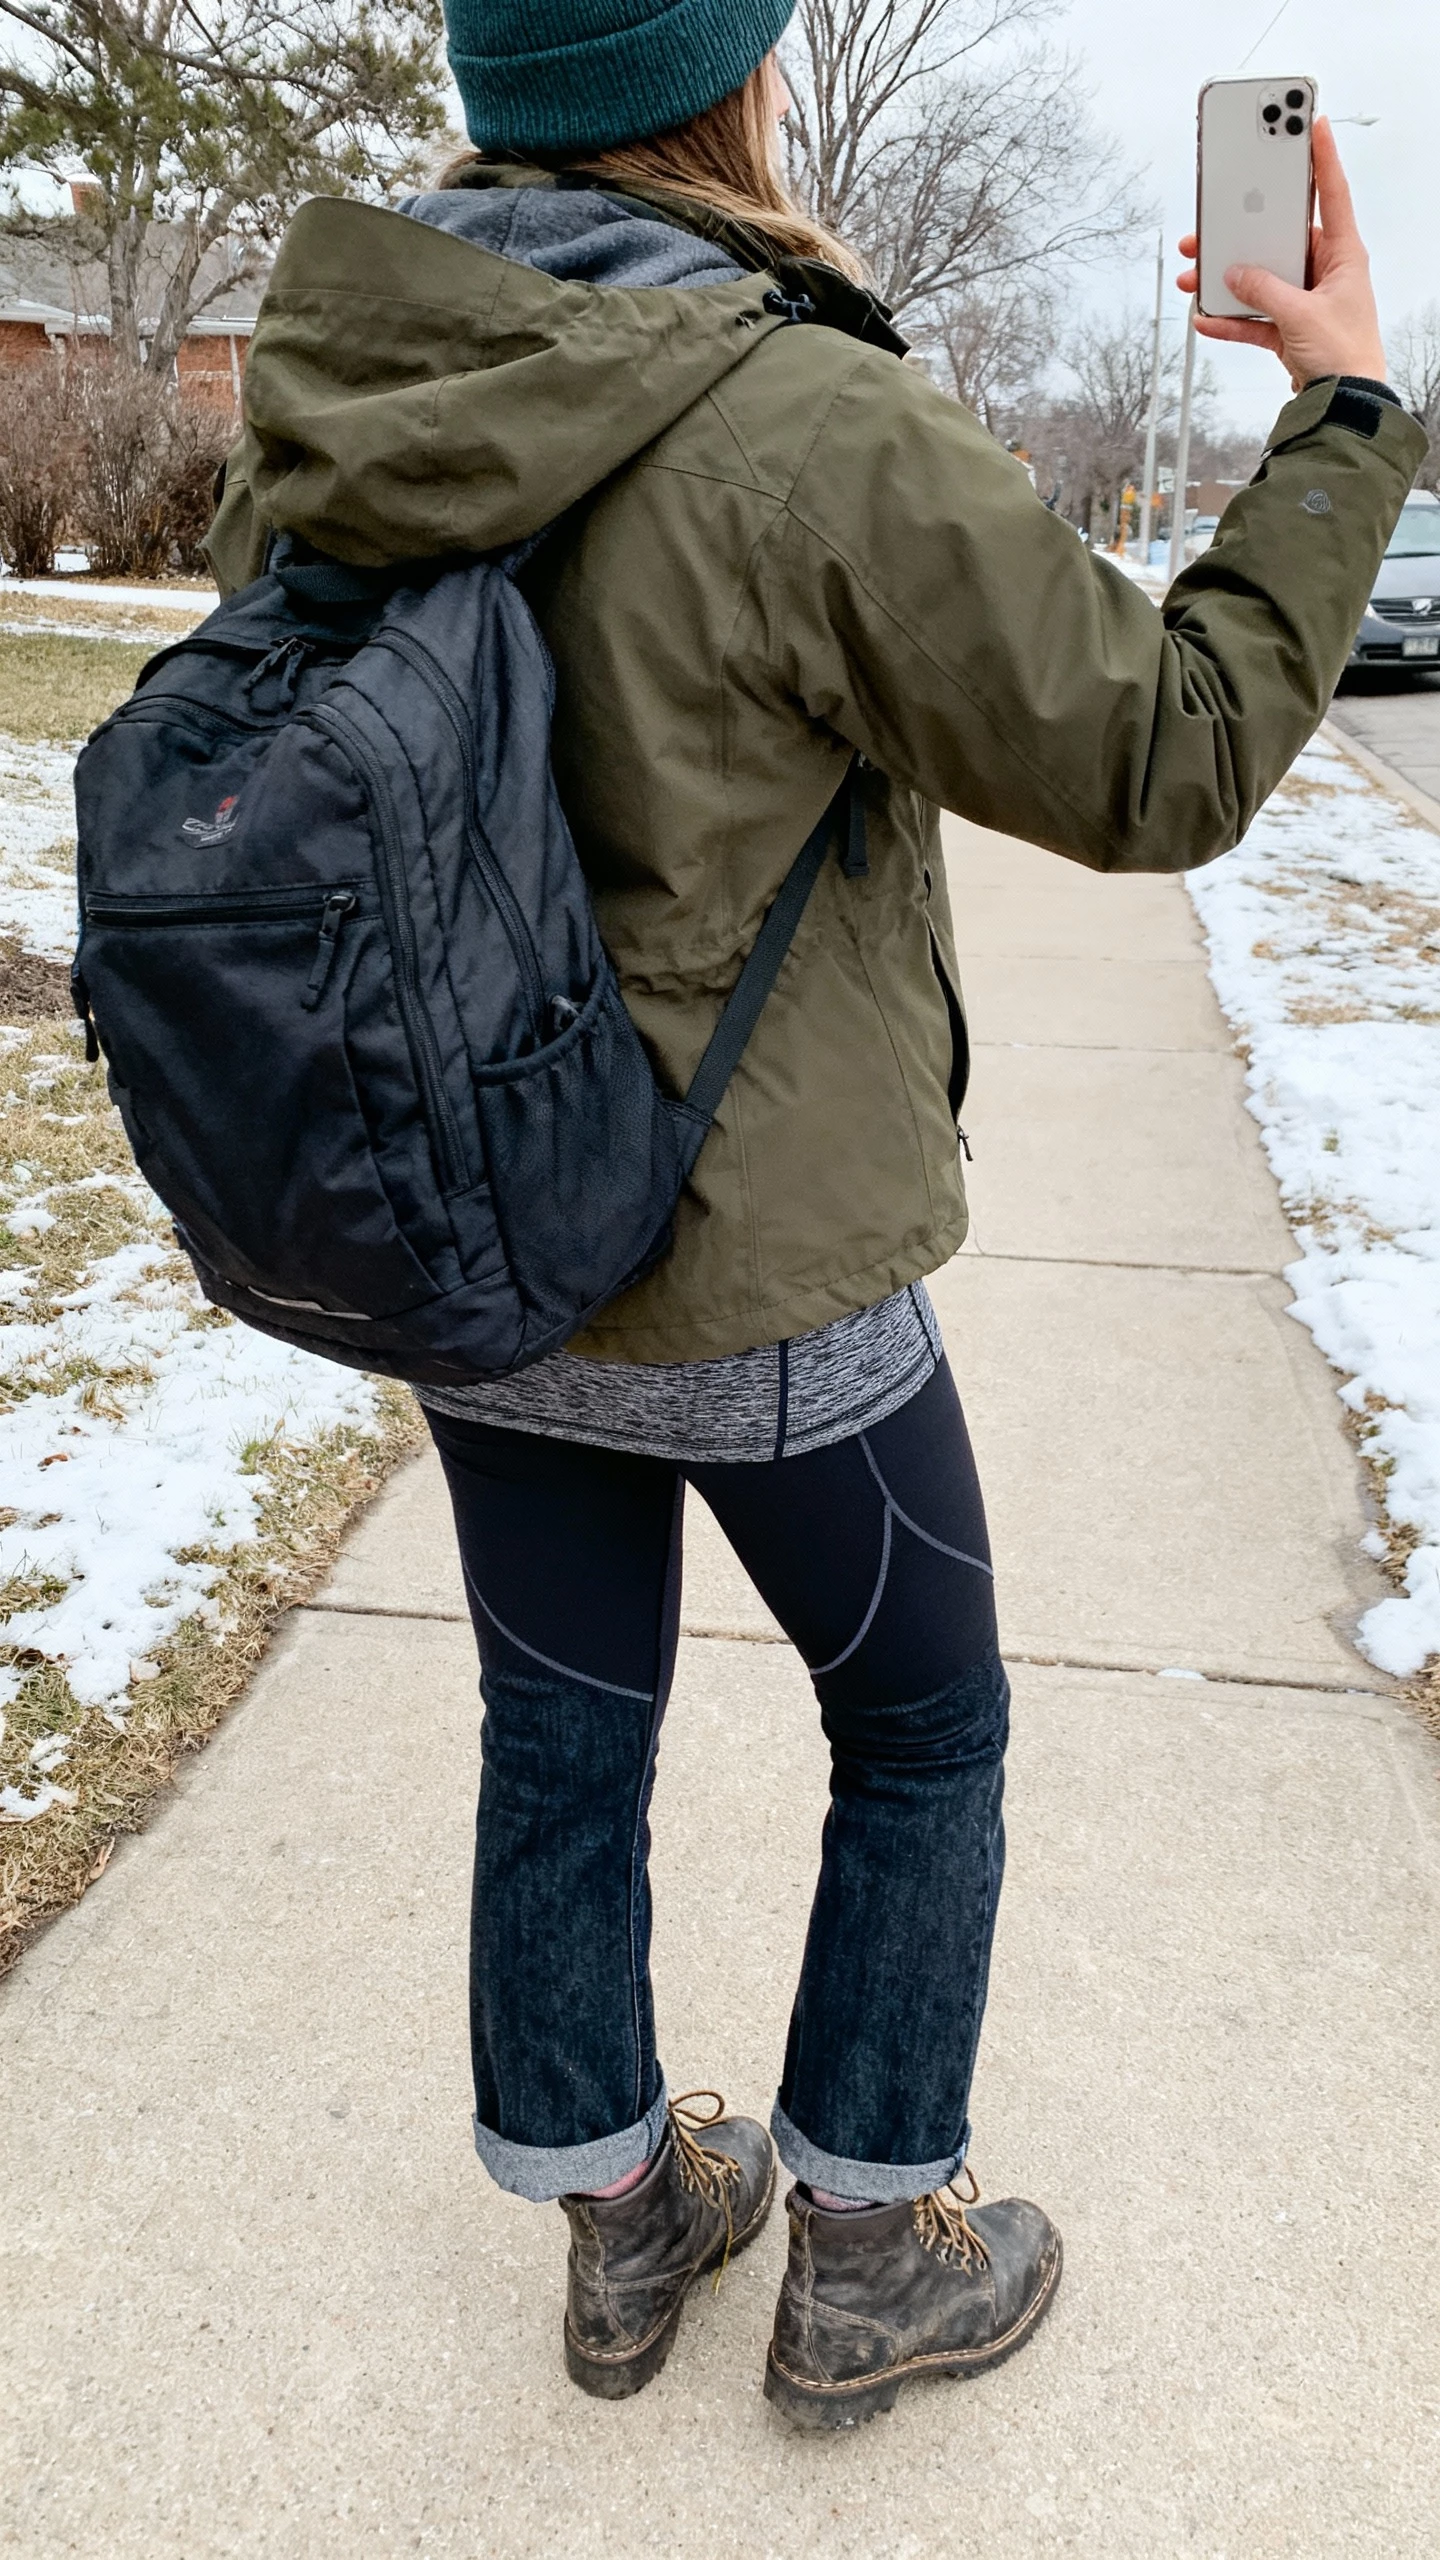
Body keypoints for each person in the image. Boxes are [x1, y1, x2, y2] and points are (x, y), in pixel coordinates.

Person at [207, 1, 1424, 2430]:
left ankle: (624, 2219)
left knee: (562, 1733)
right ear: (736, 84)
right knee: (929, 1723)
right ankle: (869, 2240)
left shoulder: (344, 388)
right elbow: (1165, 750)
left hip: (467, 1227)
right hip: (741, 1248)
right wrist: (1347, 407)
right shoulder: (801, 416)